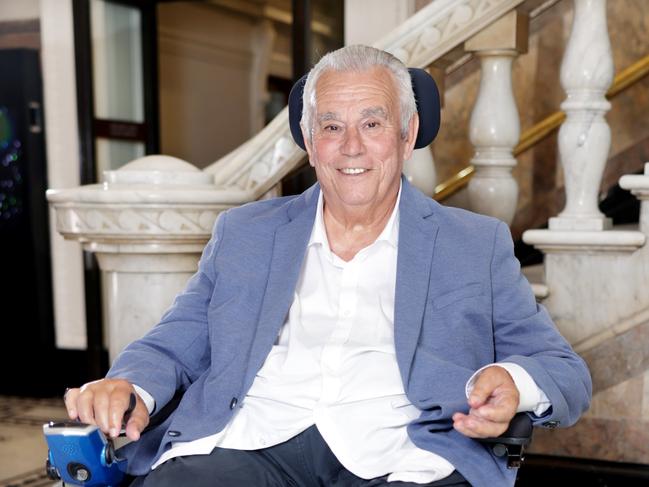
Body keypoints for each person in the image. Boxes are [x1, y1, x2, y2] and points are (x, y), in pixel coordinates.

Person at [64, 45, 591, 487]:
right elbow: (176, 340)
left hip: (406, 453)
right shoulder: (246, 232)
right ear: (311, 143)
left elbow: (564, 369)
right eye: (332, 126)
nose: (351, 146)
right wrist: (128, 384)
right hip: (251, 440)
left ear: (407, 136)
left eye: (372, 123)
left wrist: (515, 383)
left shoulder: (475, 244)